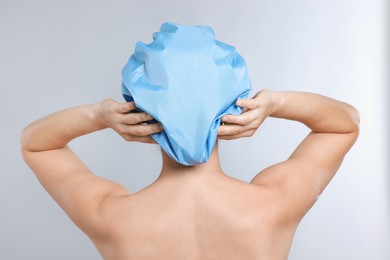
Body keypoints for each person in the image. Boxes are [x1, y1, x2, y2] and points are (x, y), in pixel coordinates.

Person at [20, 89, 359, 259]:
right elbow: (344, 125)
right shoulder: (274, 204)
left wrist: (98, 115)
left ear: (142, 118)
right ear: (231, 114)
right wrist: (275, 103)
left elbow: (36, 144)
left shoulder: (111, 215)